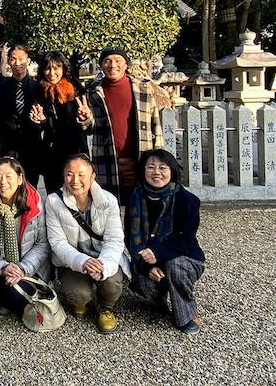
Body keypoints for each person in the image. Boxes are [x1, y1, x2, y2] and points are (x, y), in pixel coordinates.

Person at [45, 154, 130, 334]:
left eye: (81, 174)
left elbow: (115, 239)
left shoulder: (109, 200)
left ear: (93, 176)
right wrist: (82, 262)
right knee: (79, 295)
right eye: (69, 174)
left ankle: (105, 307)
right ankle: (82, 301)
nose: (75, 180)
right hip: (72, 260)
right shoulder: (53, 201)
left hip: (102, 256)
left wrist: (104, 265)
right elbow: (57, 242)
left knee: (112, 284)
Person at [126, 149, 206, 335]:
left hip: (184, 256)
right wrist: (147, 267)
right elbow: (130, 237)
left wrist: (158, 254)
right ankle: (160, 302)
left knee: (175, 266)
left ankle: (186, 314)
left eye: (163, 167)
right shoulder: (135, 197)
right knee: (140, 280)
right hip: (148, 259)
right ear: (143, 170)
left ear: (172, 171)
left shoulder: (187, 201)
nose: (156, 172)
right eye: (151, 167)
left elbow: (185, 239)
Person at [85, 47, 163, 203]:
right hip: (107, 159)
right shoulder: (93, 91)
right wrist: (84, 119)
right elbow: (89, 127)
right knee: (108, 206)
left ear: (126, 65)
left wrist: (159, 155)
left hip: (140, 157)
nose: (112, 65)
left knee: (141, 206)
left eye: (117, 61)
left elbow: (155, 122)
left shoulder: (143, 88)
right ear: (101, 65)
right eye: (107, 61)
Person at [0, 157, 50, 315]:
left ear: (20, 178)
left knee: (16, 293)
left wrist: (22, 268)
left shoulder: (34, 202)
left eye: (9, 176)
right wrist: (1, 266)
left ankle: (13, 297)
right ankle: (11, 297)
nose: (3, 182)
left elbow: (42, 244)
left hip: (28, 266)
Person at [29, 51, 93, 193]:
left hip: (75, 151)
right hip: (51, 155)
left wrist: (84, 119)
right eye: (47, 68)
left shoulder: (76, 89)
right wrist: (40, 122)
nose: (51, 73)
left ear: (63, 68)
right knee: (55, 198)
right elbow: (37, 128)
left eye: (56, 68)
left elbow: (89, 128)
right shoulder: (38, 92)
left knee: (79, 194)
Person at [0, 45, 42, 187]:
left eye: (21, 59)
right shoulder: (0, 89)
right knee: (9, 185)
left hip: (32, 146)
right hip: (9, 146)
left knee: (31, 187)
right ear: (8, 61)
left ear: (28, 60)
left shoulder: (38, 88)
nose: (17, 63)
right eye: (13, 59)